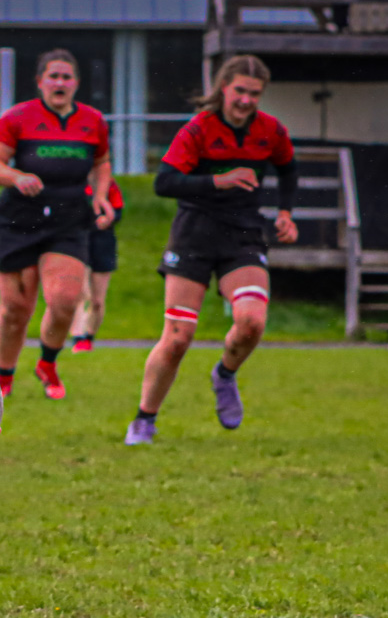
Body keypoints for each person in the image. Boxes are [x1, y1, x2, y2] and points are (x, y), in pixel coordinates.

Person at [123, 54, 296, 443]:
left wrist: (286, 212)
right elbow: (164, 183)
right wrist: (220, 181)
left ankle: (225, 374)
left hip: (243, 234)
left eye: (254, 94)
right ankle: (144, 418)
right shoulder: (199, 129)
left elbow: (288, 169)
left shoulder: (270, 130)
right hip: (195, 234)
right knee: (178, 338)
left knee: (252, 322)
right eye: (240, 91)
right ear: (223, 88)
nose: (246, 100)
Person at [0, 49, 112, 400]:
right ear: (40, 82)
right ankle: (4, 376)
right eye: (53, 76)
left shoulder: (93, 121)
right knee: (15, 309)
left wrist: (101, 196)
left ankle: (47, 364)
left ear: (76, 83)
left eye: (66, 77)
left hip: (69, 218)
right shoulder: (18, 117)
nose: (60, 83)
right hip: (21, 218)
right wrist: (17, 177)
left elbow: (101, 163)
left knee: (65, 299)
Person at [70, 174, 123, 351]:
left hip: (103, 241)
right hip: (80, 240)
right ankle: (77, 336)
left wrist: (108, 219)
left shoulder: (109, 184)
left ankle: (89, 336)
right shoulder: (75, 181)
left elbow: (118, 211)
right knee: (81, 293)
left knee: (97, 300)